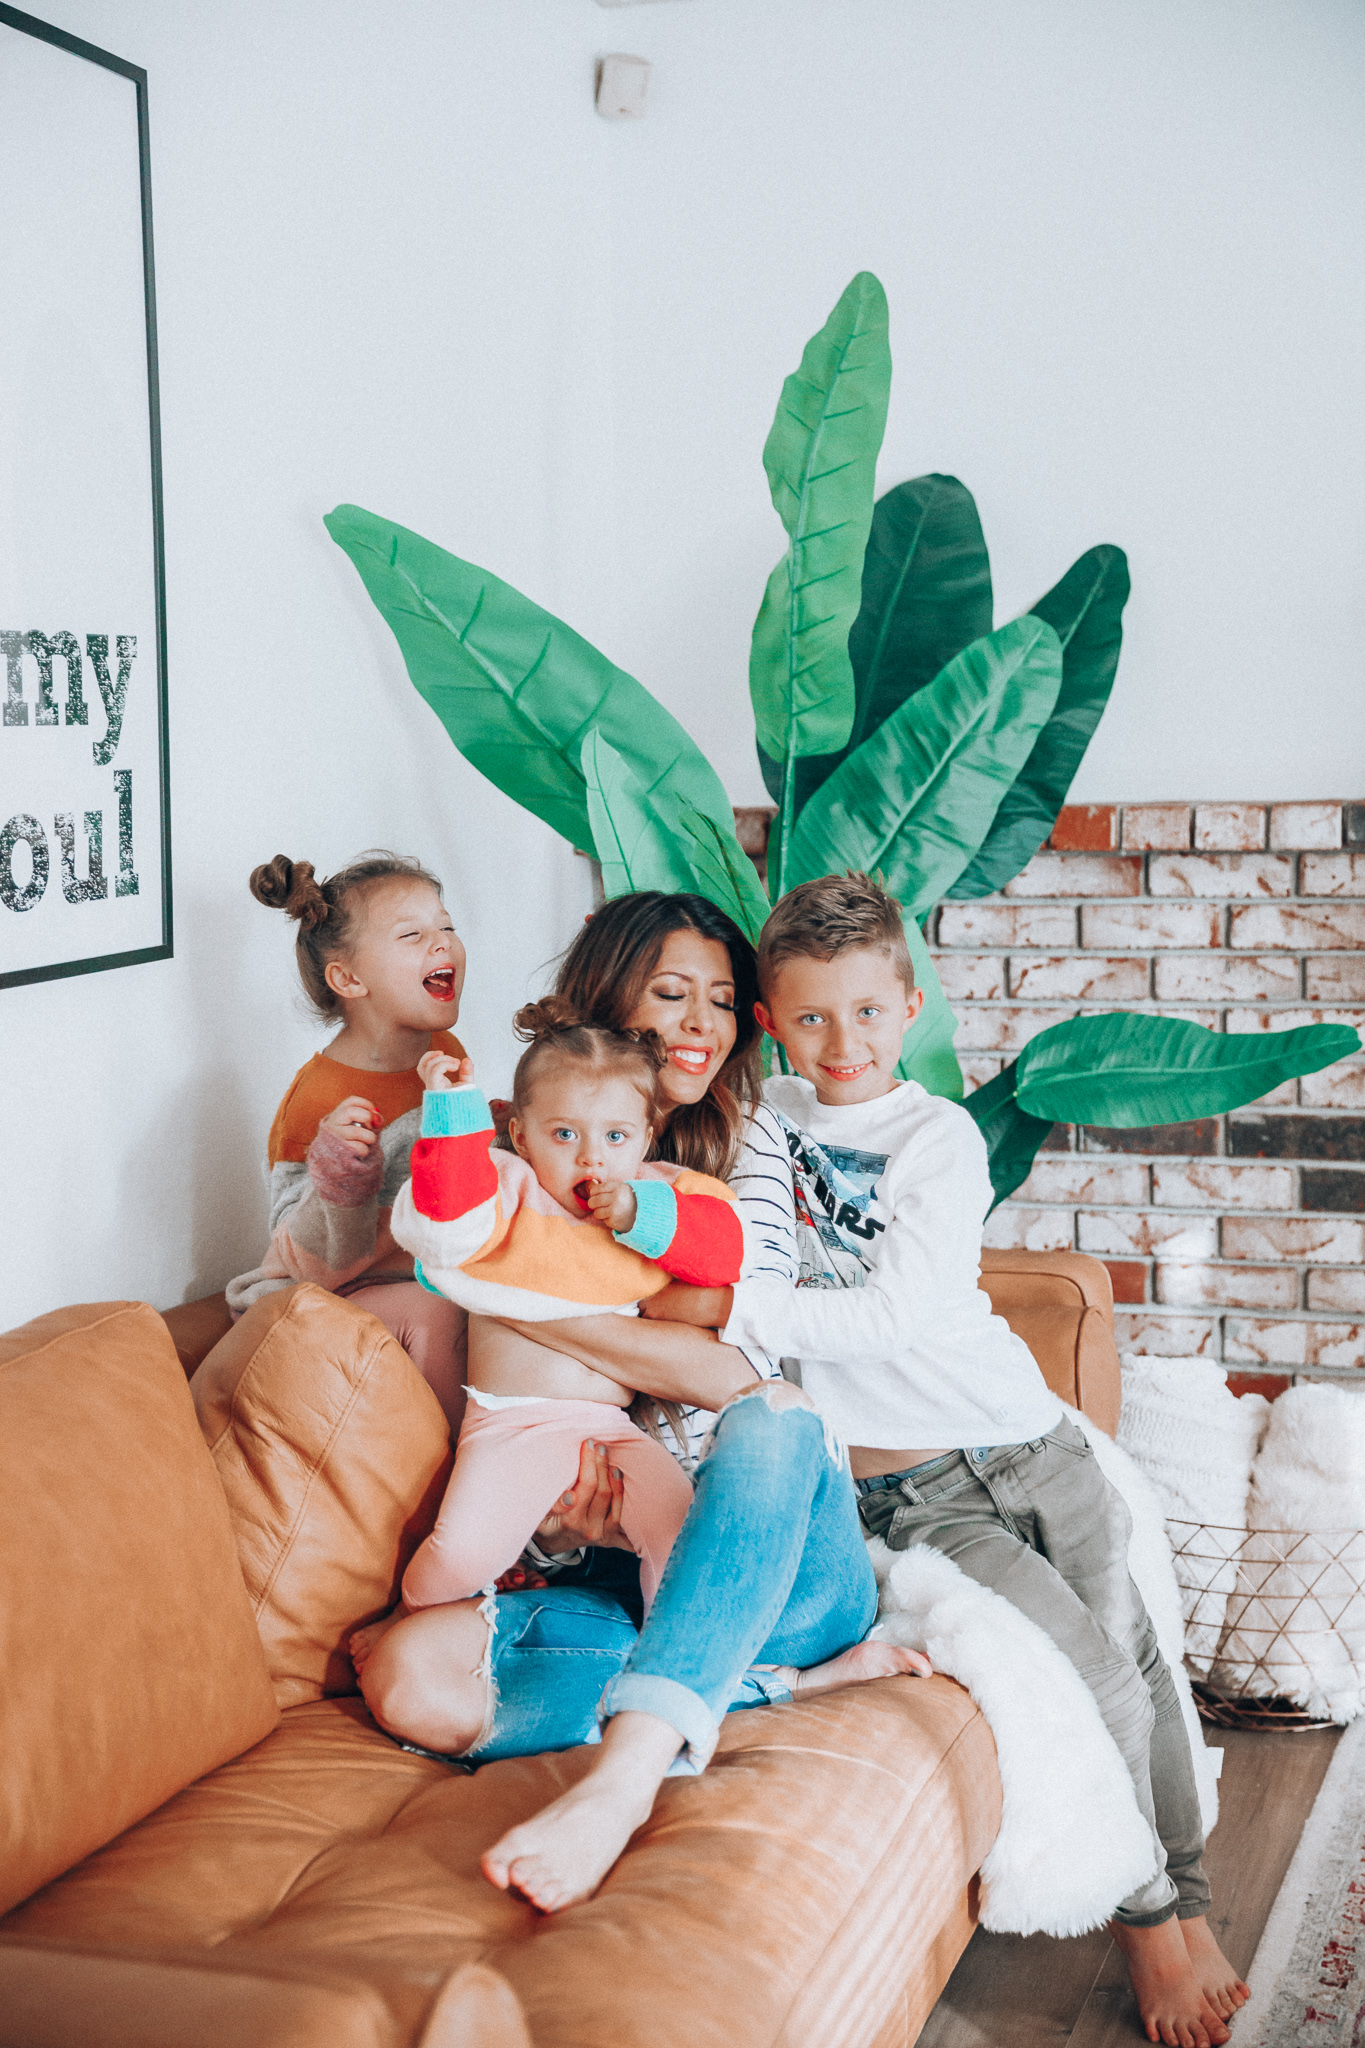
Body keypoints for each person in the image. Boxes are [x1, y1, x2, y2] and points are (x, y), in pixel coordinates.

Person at [710, 871, 1248, 2048]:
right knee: (1090, 1676)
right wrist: (746, 1292)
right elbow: (744, 1283)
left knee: (1141, 1657)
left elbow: (890, 1314)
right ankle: (1148, 1923)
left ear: (908, 1006)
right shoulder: (765, 1128)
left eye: (864, 1011)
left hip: (1029, 1437)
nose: (840, 1040)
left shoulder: (937, 1135)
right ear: (770, 1023)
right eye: (809, 1016)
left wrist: (754, 1297)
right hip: (915, 1491)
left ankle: (1193, 1896)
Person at [352, 890, 929, 1910]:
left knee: (776, 1418)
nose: (703, 1022)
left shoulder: (743, 1151)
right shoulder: (526, 1150)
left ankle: (619, 1784)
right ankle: (760, 1689)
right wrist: (566, 1535)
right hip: (627, 1576)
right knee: (405, 1672)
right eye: (672, 993)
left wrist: (517, 1300)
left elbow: (724, 1366)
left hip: (784, 1557)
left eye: (721, 997)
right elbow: (427, 1243)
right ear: (608, 1000)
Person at [380, 1007, 745, 1613]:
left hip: (610, 1432)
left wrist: (640, 1215)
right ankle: (402, 1617)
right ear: (521, 1136)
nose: (591, 1160)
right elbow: (444, 1222)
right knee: (460, 1557)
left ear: (647, 1137)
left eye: (616, 1137)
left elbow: (725, 1249)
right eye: (564, 1134)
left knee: (685, 1541)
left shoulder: (657, 1197)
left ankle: (679, 1664)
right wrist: (453, 1112)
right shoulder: (509, 1192)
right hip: (509, 1429)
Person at [227, 850, 470, 1429]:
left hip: (418, 1269)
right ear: (349, 978)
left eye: (447, 927)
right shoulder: (317, 1097)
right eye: (412, 935)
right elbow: (302, 1251)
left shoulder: (447, 1052)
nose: (443, 945)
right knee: (441, 1313)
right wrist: (340, 1170)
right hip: (322, 1290)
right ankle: (469, 1459)